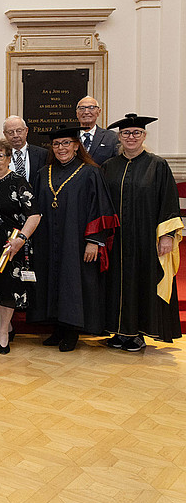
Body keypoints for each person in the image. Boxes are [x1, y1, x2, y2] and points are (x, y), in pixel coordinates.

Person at [29, 126, 117, 351]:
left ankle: (72, 330)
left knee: (73, 282)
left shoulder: (90, 172)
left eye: (66, 143)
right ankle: (57, 328)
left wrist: (94, 241)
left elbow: (100, 208)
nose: (61, 148)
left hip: (77, 241)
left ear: (77, 146)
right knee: (52, 280)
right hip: (48, 239)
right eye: (57, 144)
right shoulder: (44, 173)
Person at [102, 114, 183, 351]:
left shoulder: (157, 165)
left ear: (144, 136)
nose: (131, 137)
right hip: (116, 239)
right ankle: (118, 331)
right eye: (126, 133)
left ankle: (137, 333)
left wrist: (167, 236)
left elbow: (168, 201)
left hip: (146, 238)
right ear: (119, 137)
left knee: (142, 282)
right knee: (116, 284)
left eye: (136, 133)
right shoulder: (109, 167)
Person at [0, 138, 41, 354]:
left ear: (8, 159)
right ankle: (8, 325)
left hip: (12, 243)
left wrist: (21, 239)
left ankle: (3, 332)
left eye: (0, 156)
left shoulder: (18, 182)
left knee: (8, 286)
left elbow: (34, 215)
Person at [76, 96, 119, 166]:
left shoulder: (112, 137)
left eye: (91, 108)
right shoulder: (71, 137)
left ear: (98, 112)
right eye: (82, 108)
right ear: (77, 113)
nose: (86, 112)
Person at [2, 115, 47, 183]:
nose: (15, 135)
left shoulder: (42, 154)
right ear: (5, 134)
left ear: (26, 131)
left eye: (19, 131)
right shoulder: (0, 156)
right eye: (11, 132)